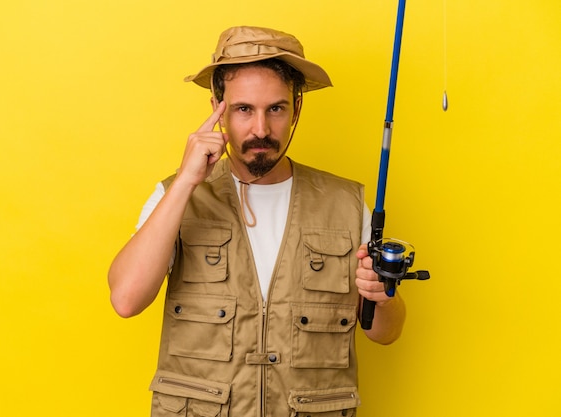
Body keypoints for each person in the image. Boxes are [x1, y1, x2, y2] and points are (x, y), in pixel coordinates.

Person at [108, 26, 406, 417]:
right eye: (244, 109)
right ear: (217, 107)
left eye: (276, 109)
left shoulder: (346, 204)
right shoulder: (176, 196)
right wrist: (185, 182)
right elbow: (126, 299)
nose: (261, 130)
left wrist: (381, 297)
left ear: (296, 108)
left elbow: (387, 332)